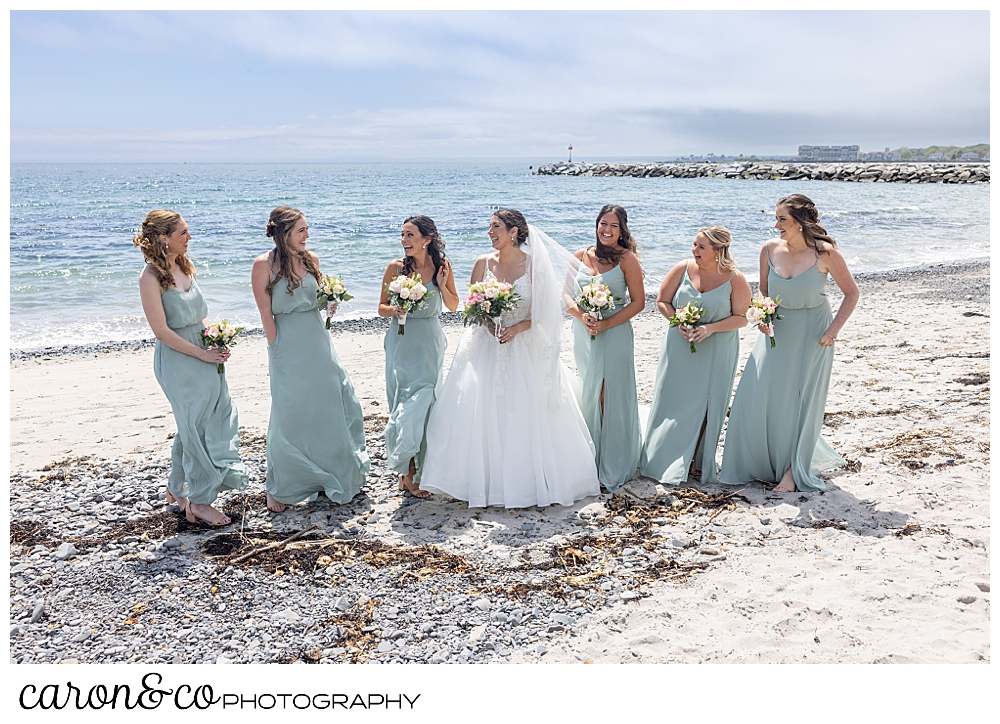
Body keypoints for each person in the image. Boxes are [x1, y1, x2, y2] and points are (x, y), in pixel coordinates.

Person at [420, 209, 599, 508]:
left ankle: (527, 482)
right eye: (489, 227)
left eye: (496, 227)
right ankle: (481, 481)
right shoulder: (482, 263)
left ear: (514, 232)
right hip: (485, 344)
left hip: (524, 344)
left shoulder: (533, 266)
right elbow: (471, 307)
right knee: (479, 408)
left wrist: (516, 328)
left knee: (525, 408)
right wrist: (489, 324)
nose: (490, 232)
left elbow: (544, 312)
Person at [721, 194, 859, 493]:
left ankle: (792, 469)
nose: (776, 224)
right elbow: (765, 292)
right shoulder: (769, 249)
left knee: (801, 400)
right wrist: (762, 316)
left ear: (799, 222)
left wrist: (833, 331)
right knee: (758, 395)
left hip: (814, 333)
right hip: (776, 332)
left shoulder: (826, 254)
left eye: (782, 218)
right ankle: (759, 461)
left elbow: (852, 294)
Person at [251, 206, 370, 512]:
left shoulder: (311, 260)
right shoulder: (263, 264)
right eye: (301, 230)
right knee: (290, 410)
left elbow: (318, 299)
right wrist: (275, 347)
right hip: (287, 344)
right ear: (284, 233)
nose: (307, 235)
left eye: (307, 229)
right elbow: (266, 312)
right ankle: (281, 487)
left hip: (317, 340)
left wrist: (330, 305)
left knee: (330, 402)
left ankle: (330, 475)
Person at [134, 210, 247, 526]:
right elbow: (162, 331)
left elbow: (200, 316)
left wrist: (215, 339)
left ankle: (176, 486)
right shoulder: (150, 278)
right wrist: (200, 354)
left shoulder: (184, 266)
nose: (190, 237)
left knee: (213, 416)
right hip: (179, 359)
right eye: (183, 232)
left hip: (205, 354)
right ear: (163, 238)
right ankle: (198, 501)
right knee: (194, 425)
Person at [639, 226, 751, 484]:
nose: (694, 250)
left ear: (718, 250)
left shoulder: (735, 279)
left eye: (701, 246)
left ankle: (696, 462)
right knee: (673, 398)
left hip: (717, 350)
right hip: (679, 347)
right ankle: (664, 458)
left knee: (706, 404)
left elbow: (742, 318)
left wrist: (710, 328)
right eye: (694, 244)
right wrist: (677, 320)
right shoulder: (682, 269)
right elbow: (662, 302)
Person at [378, 215, 459, 499]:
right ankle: (407, 473)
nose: (404, 240)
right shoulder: (395, 268)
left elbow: (453, 305)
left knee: (425, 403)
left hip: (429, 342)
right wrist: (397, 310)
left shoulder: (442, 266)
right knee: (403, 403)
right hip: (401, 342)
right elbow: (381, 308)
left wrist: (443, 282)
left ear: (427, 239)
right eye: (402, 235)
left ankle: (418, 470)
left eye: (410, 235)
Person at [568, 205, 644, 490]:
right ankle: (591, 460)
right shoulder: (580, 256)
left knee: (608, 394)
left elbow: (638, 303)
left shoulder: (627, 260)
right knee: (590, 391)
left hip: (614, 333)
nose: (607, 230)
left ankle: (613, 463)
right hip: (584, 332)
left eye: (613, 225)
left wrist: (606, 324)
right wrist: (582, 316)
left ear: (622, 230)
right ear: (596, 225)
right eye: (603, 224)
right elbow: (566, 294)